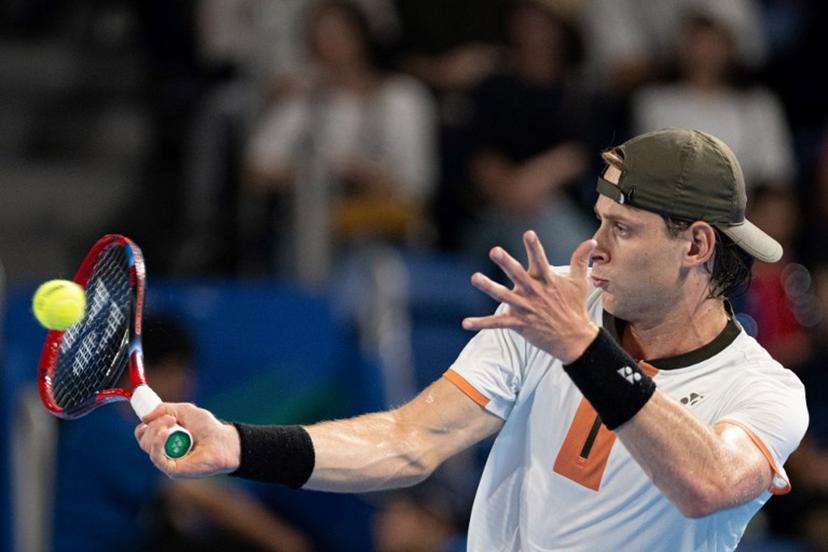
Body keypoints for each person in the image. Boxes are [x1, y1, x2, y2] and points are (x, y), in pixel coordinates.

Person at [136, 128, 808, 551]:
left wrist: (582, 347)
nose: (593, 249)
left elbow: (709, 484)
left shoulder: (762, 389)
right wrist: (235, 444)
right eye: (599, 221)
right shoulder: (550, 312)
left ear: (695, 244)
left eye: (622, 230)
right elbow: (408, 442)